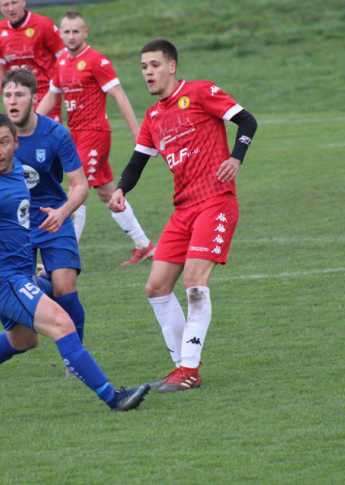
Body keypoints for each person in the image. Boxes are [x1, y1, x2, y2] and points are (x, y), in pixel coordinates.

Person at [0, 111, 150, 415]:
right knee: (62, 323)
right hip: (1, 281)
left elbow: (10, 219)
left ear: (16, 143)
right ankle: (114, 398)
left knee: (23, 340)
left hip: (19, 273)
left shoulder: (17, 170)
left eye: (4, 143)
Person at [108, 39, 258, 393]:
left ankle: (189, 369)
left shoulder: (200, 92)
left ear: (172, 67)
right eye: (144, 67)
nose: (148, 72)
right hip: (183, 209)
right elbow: (137, 161)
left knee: (194, 281)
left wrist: (236, 157)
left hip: (215, 201)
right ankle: (180, 367)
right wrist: (120, 190)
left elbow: (247, 121)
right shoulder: (153, 117)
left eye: (155, 65)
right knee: (156, 287)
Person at [0, 69, 92, 376]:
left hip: (52, 219)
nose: (12, 101)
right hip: (14, 228)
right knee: (25, 335)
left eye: (19, 95)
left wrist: (62, 213)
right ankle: (42, 286)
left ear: (35, 99)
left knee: (66, 287)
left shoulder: (55, 134)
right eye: (7, 95)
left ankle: (74, 360)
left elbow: (80, 185)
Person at [36, 10, 156, 266]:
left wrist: (137, 131)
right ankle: (144, 245)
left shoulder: (96, 61)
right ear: (60, 33)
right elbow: (51, 97)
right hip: (75, 136)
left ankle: (61, 258)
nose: (70, 36)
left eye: (75, 31)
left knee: (76, 190)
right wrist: (28, 123)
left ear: (85, 33)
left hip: (95, 134)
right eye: (66, 31)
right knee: (106, 194)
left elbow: (119, 95)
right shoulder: (61, 63)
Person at [0, 0, 64, 122]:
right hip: (15, 96)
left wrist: (56, 89)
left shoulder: (43, 24)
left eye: (14, 2)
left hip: (44, 94)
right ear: (0, 7)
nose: (11, 8)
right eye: (6, 4)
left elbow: (64, 60)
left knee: (45, 140)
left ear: (23, 1)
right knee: (16, 141)